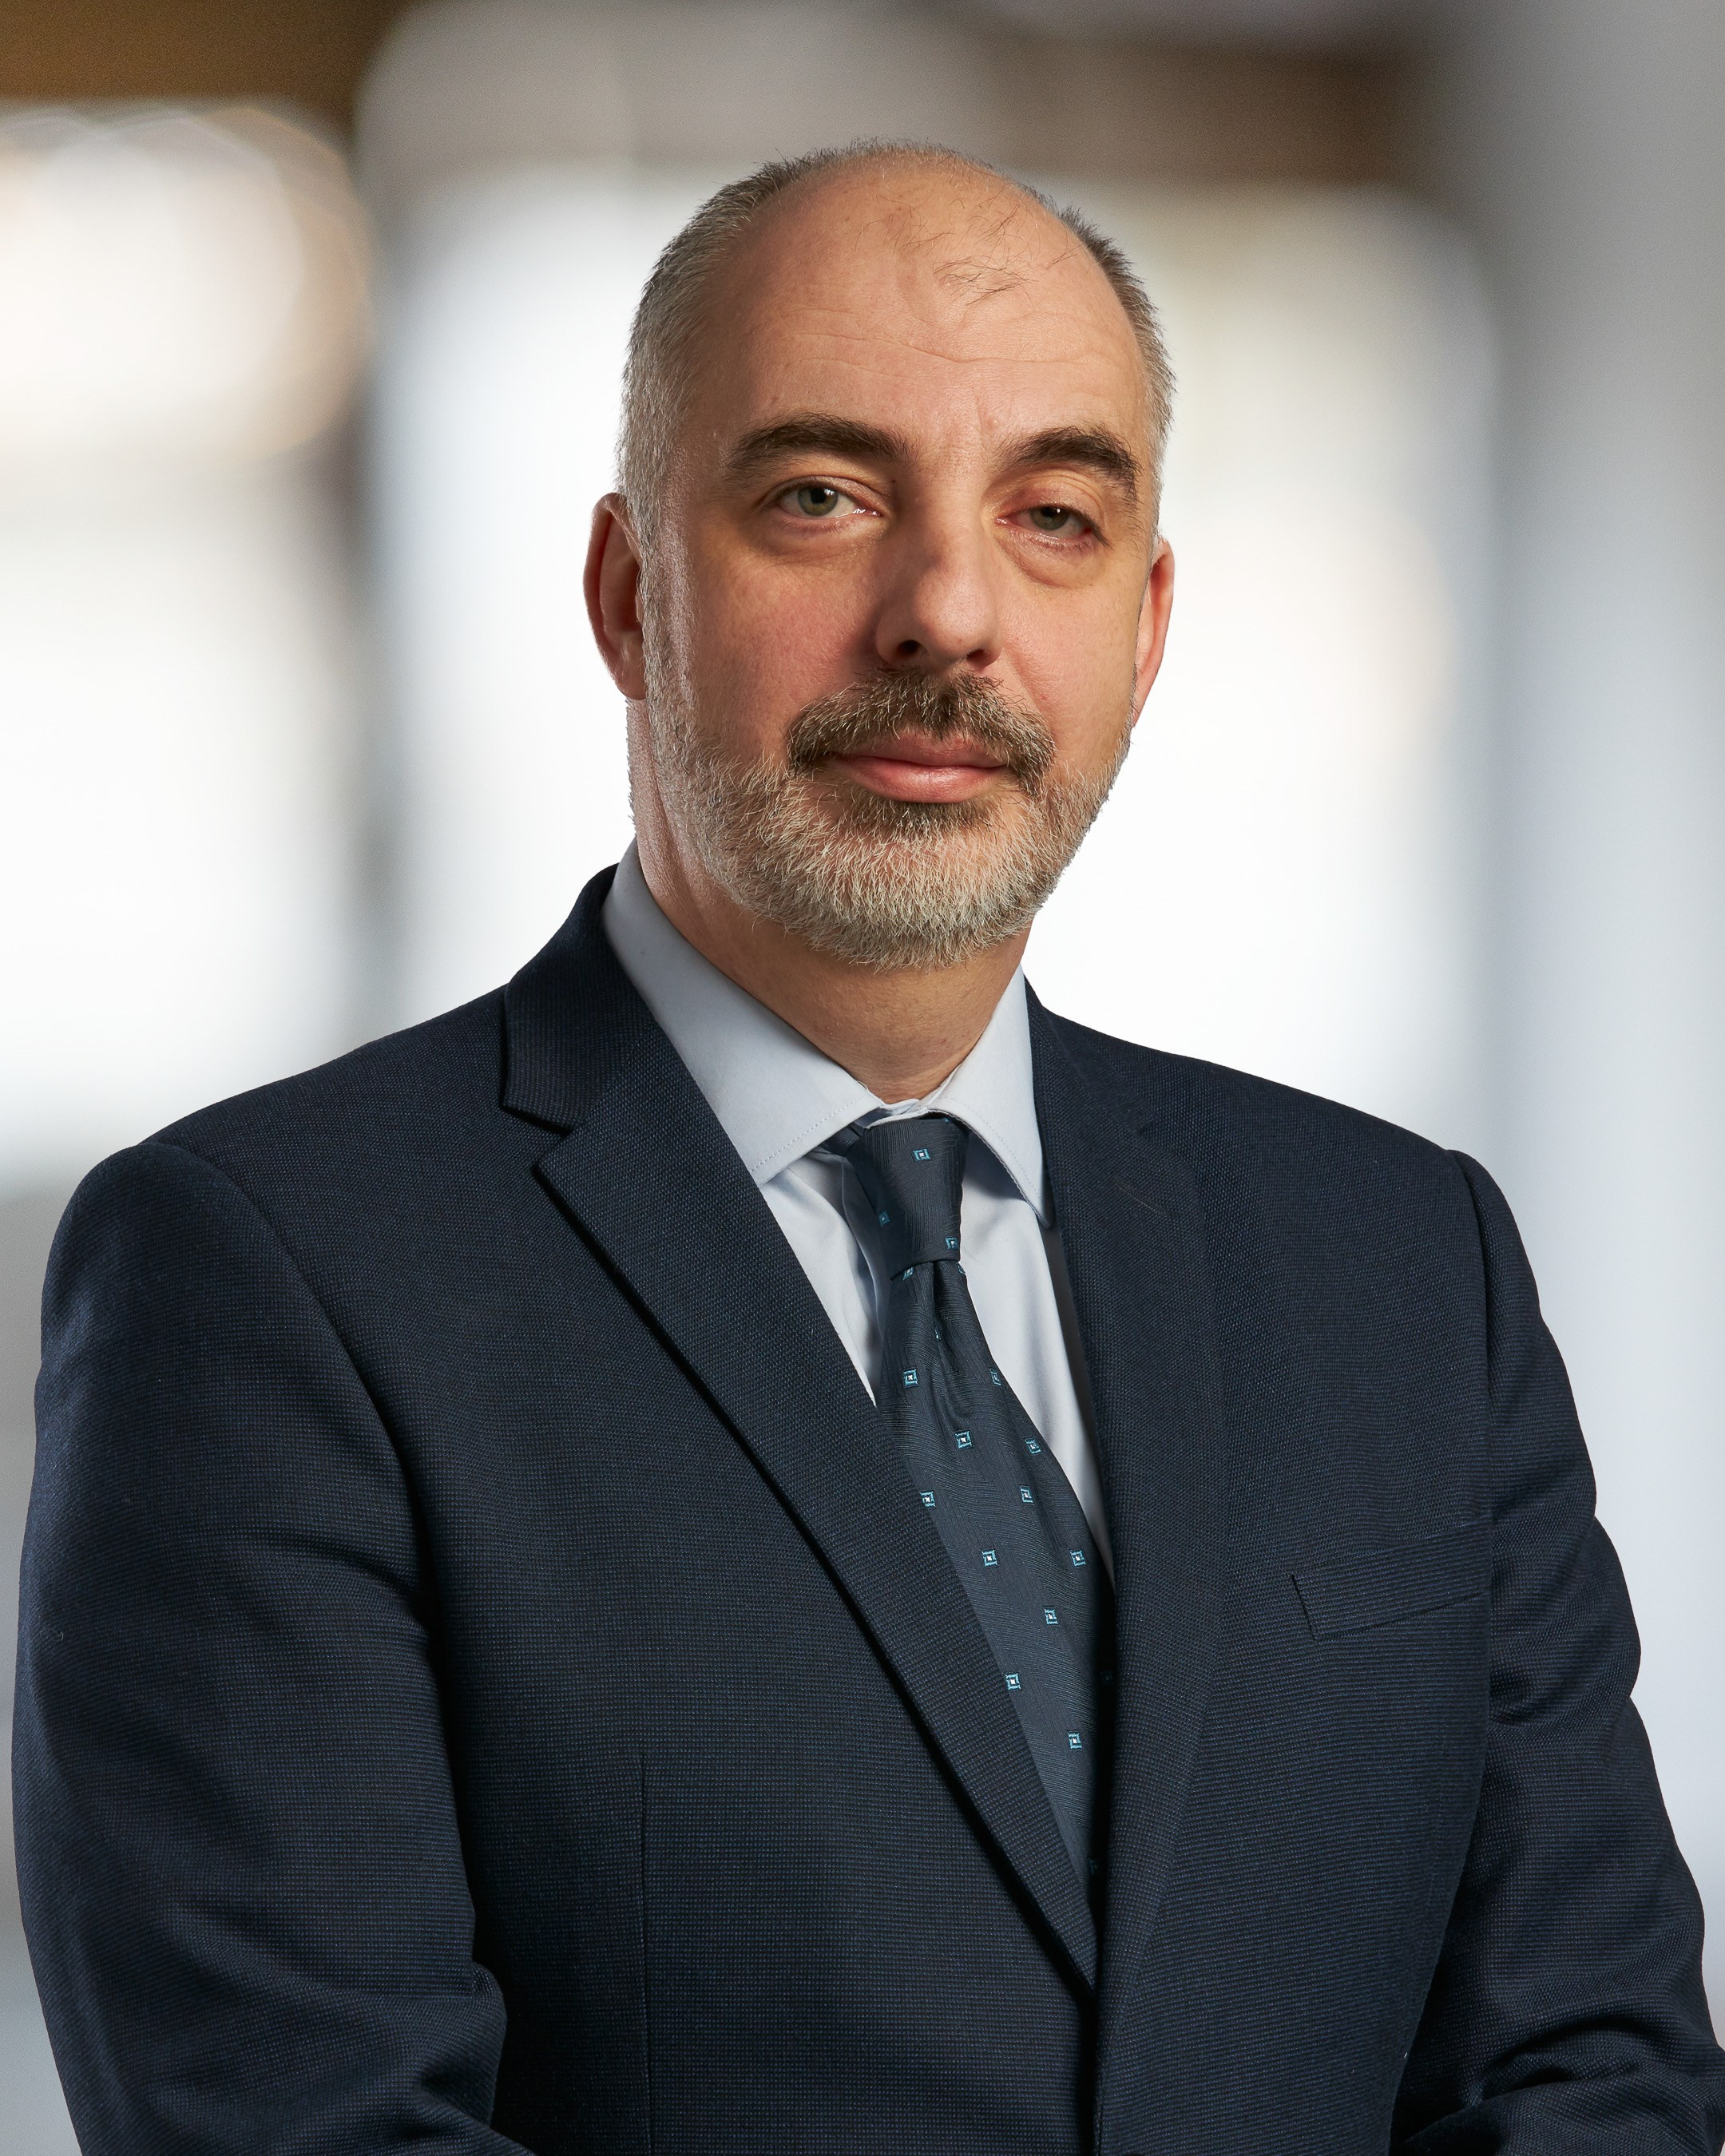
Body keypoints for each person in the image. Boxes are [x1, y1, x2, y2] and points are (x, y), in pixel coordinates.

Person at [15, 141, 1724, 2156]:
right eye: (823, 498)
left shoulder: (1402, 1263)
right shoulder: (268, 1275)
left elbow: (1593, 2075)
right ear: (630, 590)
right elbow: (310, 2127)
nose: (947, 614)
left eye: (1056, 515)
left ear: (1149, 622)